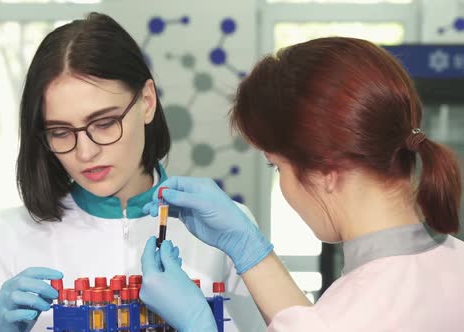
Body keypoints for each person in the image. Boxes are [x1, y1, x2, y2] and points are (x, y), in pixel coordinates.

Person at [0, 12, 264, 332]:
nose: (85, 153)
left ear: (147, 101)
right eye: (61, 132)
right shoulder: (10, 235)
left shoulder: (224, 229)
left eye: (104, 124)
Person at [139, 37, 464, 332]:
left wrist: (199, 325)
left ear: (327, 171)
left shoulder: (354, 314)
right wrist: (247, 249)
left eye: (276, 166)